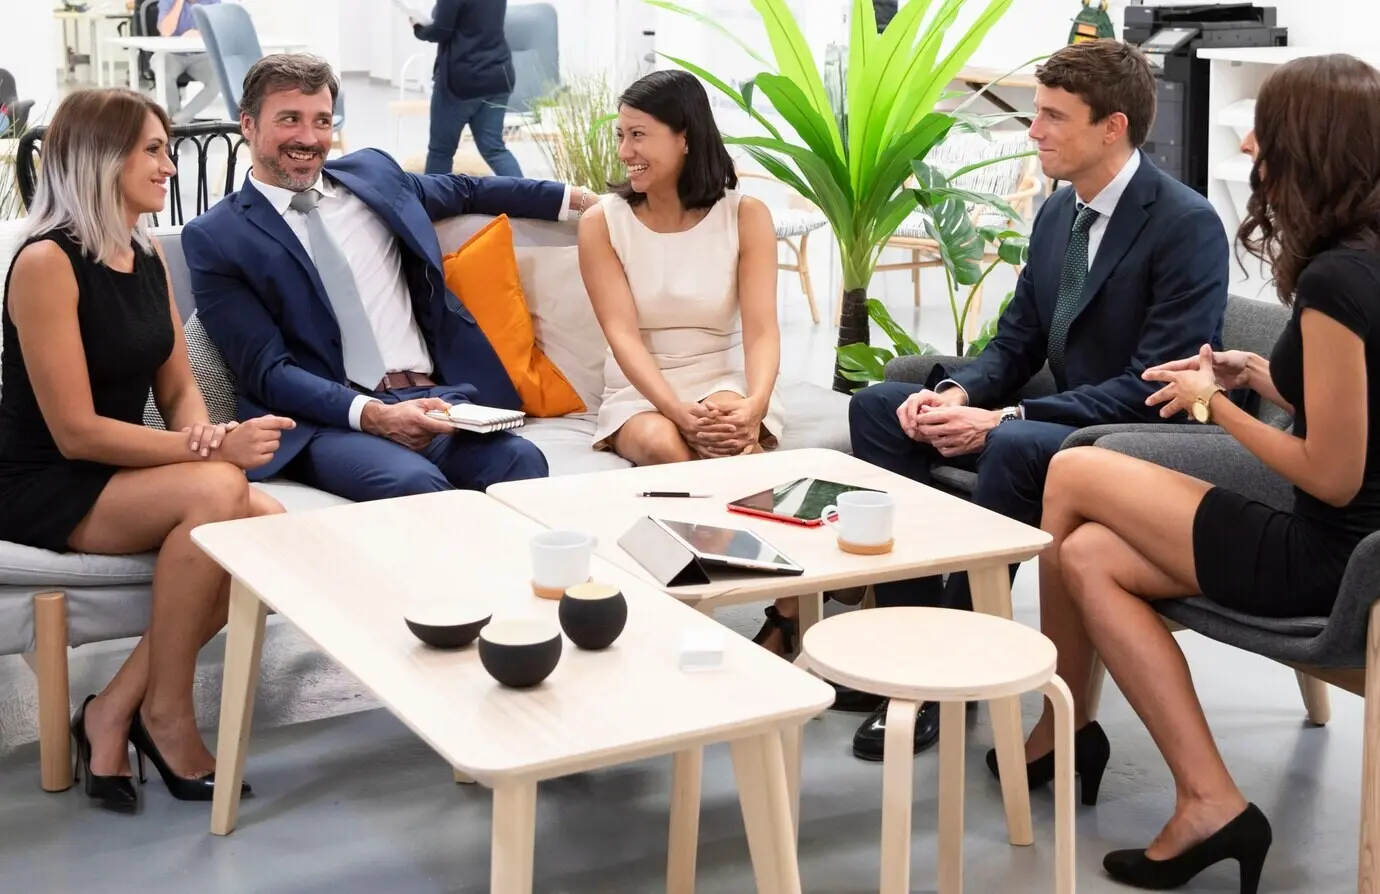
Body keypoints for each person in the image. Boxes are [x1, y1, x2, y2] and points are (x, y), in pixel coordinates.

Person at [1013, 53, 1380, 892]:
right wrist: (1263, 376)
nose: (1250, 145)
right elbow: (1357, 413)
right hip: (1352, 539)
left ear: (1311, 147)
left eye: (1266, 133)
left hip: (1331, 559)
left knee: (1075, 471)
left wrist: (1216, 404)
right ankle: (1208, 799)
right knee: (1089, 555)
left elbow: (1330, 474)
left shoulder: (1334, 281)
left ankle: (1058, 727)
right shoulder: (1367, 259)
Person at [813, 38, 1231, 762]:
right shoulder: (1059, 211)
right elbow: (1017, 342)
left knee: (1010, 442)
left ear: (1113, 128)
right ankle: (914, 641)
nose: (1033, 130)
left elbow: (1151, 386)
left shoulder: (1184, 224)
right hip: (1058, 423)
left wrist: (1008, 416)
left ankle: (948, 673)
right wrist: (952, 394)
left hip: (1134, 439)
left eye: (1053, 116)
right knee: (879, 407)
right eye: (1037, 113)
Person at [0, 88, 293, 810]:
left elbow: (179, 387)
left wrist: (206, 433)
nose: (170, 165)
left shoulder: (147, 253)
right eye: (153, 151)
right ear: (102, 158)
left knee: (269, 526)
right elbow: (75, 432)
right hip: (45, 479)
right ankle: (167, 714)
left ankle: (115, 708)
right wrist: (211, 456)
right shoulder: (46, 263)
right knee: (221, 491)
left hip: (118, 470)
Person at [184, 54, 598, 502]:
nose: (309, 138)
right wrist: (372, 414)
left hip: (433, 399)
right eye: (290, 119)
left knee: (520, 461)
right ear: (248, 125)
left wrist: (581, 201)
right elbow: (269, 372)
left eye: (322, 121)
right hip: (330, 422)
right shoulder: (217, 237)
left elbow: (467, 190)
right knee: (416, 487)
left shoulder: (372, 177)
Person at [578, 69, 783, 469]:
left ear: (685, 137)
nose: (624, 153)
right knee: (664, 446)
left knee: (729, 436)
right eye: (621, 136)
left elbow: (762, 330)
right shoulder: (602, 223)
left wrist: (756, 404)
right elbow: (622, 336)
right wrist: (675, 410)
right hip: (639, 393)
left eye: (637, 135)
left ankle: (765, 505)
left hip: (723, 380)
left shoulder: (746, 216)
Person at [414, 0, 523, 178]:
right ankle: (528, 194)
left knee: (441, 151)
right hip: (498, 75)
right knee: (494, 149)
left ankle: (434, 197)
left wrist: (418, 28)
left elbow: (440, 30)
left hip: (462, 82)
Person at [155, 0, 222, 123]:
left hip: (200, 56)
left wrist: (200, 33)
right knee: (164, 72)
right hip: (171, 54)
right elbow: (165, 31)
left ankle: (178, 120)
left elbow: (219, 27)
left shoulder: (212, 2)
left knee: (219, 78)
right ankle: (173, 117)